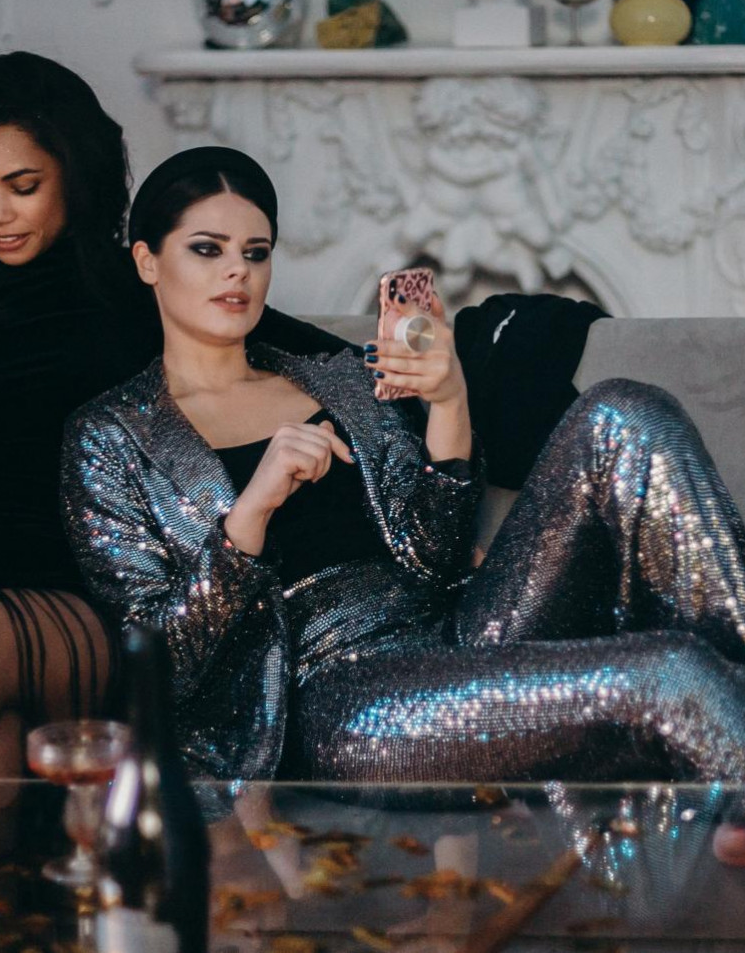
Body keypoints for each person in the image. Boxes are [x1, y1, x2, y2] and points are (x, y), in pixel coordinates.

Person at [62, 145, 745, 789]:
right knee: (674, 673)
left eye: (256, 252)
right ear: (148, 261)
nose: (237, 270)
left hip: (459, 634)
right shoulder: (111, 437)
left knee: (625, 411)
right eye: (207, 249)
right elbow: (159, 669)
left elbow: (438, 560)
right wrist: (250, 515)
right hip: (334, 696)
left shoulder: (339, 377)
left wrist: (449, 402)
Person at [0, 53, 341, 779]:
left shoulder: (142, 287)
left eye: (22, 186)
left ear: (76, 176)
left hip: (93, 616)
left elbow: (323, 359)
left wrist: (449, 366)